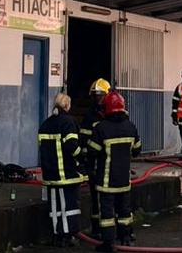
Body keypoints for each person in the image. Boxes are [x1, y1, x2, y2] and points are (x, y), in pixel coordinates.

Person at [87, 91, 141, 252]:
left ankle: (108, 243)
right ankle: (126, 238)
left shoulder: (101, 128)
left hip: (106, 181)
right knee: (124, 210)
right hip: (124, 180)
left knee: (107, 212)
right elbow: (137, 150)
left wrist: (89, 169)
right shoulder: (130, 126)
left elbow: (91, 151)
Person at [38, 92, 86, 247]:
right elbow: (72, 146)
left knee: (55, 207)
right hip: (66, 174)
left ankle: (56, 235)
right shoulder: (68, 122)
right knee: (67, 206)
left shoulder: (45, 124)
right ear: (67, 105)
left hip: (50, 174)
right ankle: (66, 236)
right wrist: (82, 158)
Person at [79, 77, 111, 235]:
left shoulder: (113, 115)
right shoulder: (89, 116)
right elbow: (84, 140)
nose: (98, 99)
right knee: (96, 198)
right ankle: (97, 228)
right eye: (95, 96)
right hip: (95, 164)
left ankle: (115, 230)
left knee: (112, 199)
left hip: (111, 164)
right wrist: (86, 163)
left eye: (100, 95)